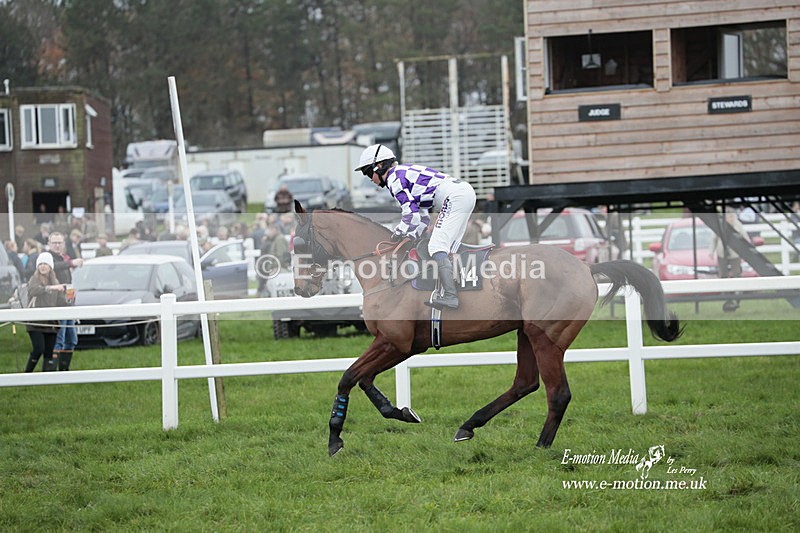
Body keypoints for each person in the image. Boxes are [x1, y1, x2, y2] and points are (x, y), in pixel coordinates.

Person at [355, 144, 476, 309]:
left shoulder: (393, 178)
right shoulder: (401, 173)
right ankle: (460, 288)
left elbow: (410, 214)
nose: (370, 179)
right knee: (450, 248)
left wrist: (399, 232)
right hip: (464, 193)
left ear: (379, 166)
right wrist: (412, 235)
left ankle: (450, 296)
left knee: (436, 246)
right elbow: (423, 218)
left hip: (455, 196)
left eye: (368, 172)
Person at [24, 252, 65, 372]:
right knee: (38, 349)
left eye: (45, 264)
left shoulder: (55, 281)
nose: (42, 266)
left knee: (49, 352)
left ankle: (46, 377)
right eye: (40, 264)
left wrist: (69, 300)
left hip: (50, 323)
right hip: (35, 322)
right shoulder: (34, 279)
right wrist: (50, 288)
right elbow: (33, 290)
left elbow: (60, 301)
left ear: (50, 266)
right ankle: (26, 375)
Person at [48, 232, 83, 370]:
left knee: (72, 340)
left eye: (59, 242)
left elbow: (68, 282)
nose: (57, 245)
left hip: (68, 304)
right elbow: (53, 266)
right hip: (57, 305)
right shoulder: (48, 258)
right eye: (54, 243)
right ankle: (53, 372)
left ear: (63, 244)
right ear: (49, 244)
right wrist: (71, 263)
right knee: (59, 340)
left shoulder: (63, 258)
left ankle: (64, 370)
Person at [710, 210, 752, 312]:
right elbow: (714, 239)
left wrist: (748, 248)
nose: (730, 218)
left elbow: (745, 236)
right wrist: (711, 251)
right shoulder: (720, 226)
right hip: (722, 253)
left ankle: (737, 293)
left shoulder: (737, 225)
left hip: (735, 253)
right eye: (728, 217)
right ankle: (726, 294)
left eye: (732, 216)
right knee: (723, 274)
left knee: (736, 273)